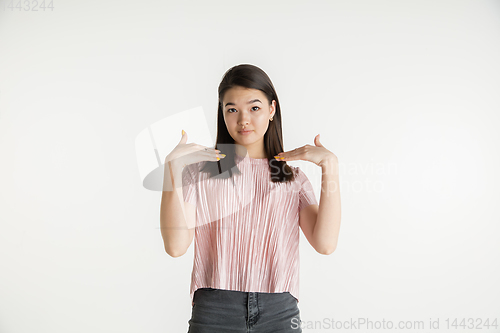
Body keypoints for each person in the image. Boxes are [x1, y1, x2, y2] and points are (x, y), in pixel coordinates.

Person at [160, 64, 341, 333]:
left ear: (271, 110)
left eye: (254, 108)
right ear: (222, 114)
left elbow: (325, 244)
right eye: (232, 109)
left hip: (279, 311)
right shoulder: (198, 174)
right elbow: (176, 247)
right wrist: (171, 170)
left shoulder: (293, 178)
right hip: (214, 310)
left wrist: (331, 167)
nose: (243, 119)